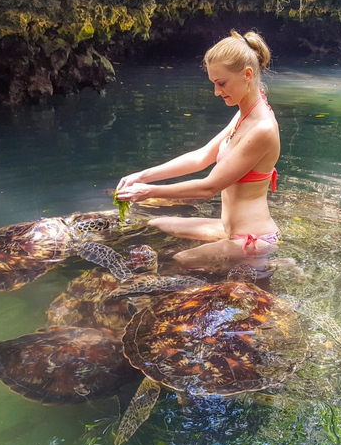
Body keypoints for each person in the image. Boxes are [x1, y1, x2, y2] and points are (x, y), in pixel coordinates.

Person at [115, 30, 281, 269]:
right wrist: (142, 176)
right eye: (214, 83)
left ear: (247, 74)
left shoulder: (262, 129)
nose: (216, 92)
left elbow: (208, 187)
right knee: (154, 226)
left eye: (221, 83)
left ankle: (271, 265)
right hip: (226, 229)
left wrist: (148, 192)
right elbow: (202, 157)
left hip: (252, 239)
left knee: (179, 261)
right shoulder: (244, 114)